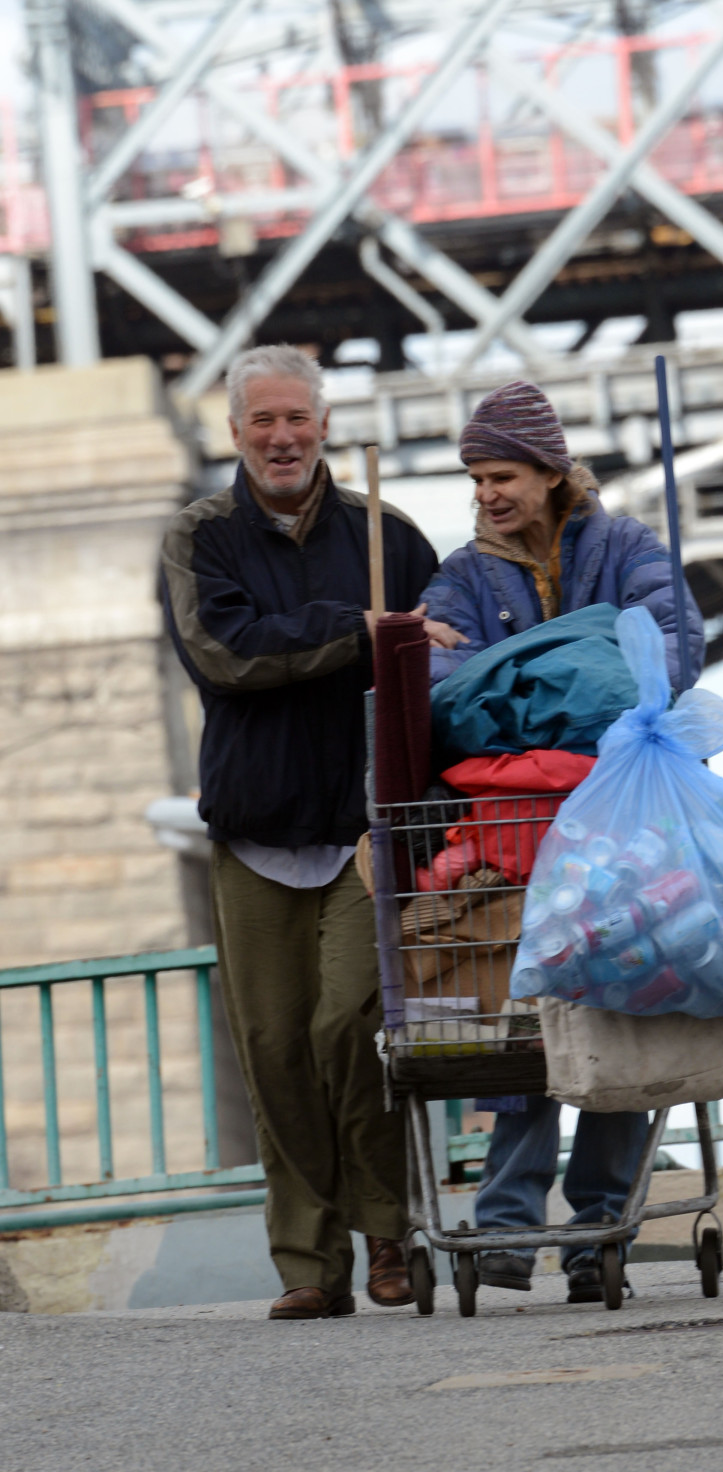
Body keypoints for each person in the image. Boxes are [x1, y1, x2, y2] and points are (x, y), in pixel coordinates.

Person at [160, 343, 460, 1320]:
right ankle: (309, 1262)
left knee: (351, 1028)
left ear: (324, 423)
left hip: (362, 828)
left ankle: (386, 1232)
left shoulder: (392, 534)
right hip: (253, 829)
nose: (281, 436)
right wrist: (360, 631)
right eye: (262, 421)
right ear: (235, 430)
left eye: (297, 418)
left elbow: (439, 675)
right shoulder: (199, 539)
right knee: (274, 1044)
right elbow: (227, 654)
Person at [419, 379, 705, 1303]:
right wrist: (585, 671)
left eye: (500, 476)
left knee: (617, 1013)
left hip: (616, 823)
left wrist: (520, 690)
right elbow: (438, 681)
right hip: (533, 828)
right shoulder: (461, 570)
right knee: (524, 1025)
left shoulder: (627, 545)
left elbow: (671, 653)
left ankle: (594, 1229)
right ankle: (507, 1227)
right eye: (475, 481)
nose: (486, 496)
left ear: (548, 474)